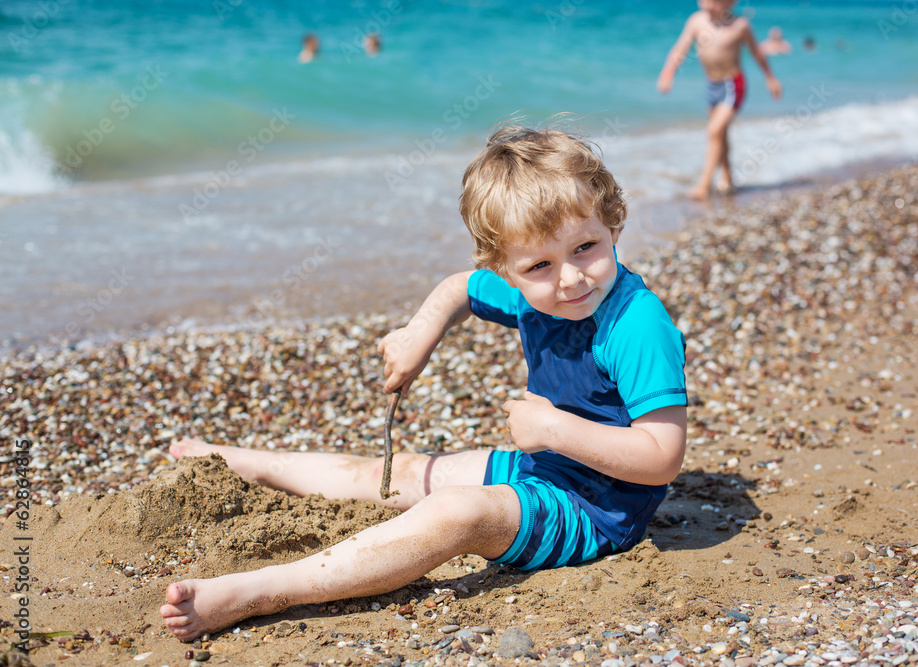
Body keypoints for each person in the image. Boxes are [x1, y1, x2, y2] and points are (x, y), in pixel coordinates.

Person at [159, 125, 689, 641]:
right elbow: (462, 288)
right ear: (507, 270)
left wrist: (554, 429)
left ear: (614, 225)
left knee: (456, 512)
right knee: (402, 472)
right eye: (540, 265)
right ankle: (246, 462)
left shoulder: (635, 325)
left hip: (598, 510)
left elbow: (661, 457)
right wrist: (420, 333)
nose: (570, 277)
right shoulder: (535, 292)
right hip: (545, 467)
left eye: (586, 248)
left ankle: (263, 590)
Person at [657, 0, 782, 199]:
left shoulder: (740, 25)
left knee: (714, 130)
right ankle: (728, 178)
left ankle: (703, 185)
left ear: (730, 3)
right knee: (721, 133)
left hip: (732, 85)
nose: (708, 5)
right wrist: (668, 72)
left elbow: (757, 53)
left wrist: (771, 79)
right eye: (705, 0)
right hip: (711, 85)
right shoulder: (697, 21)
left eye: (715, 2)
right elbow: (680, 49)